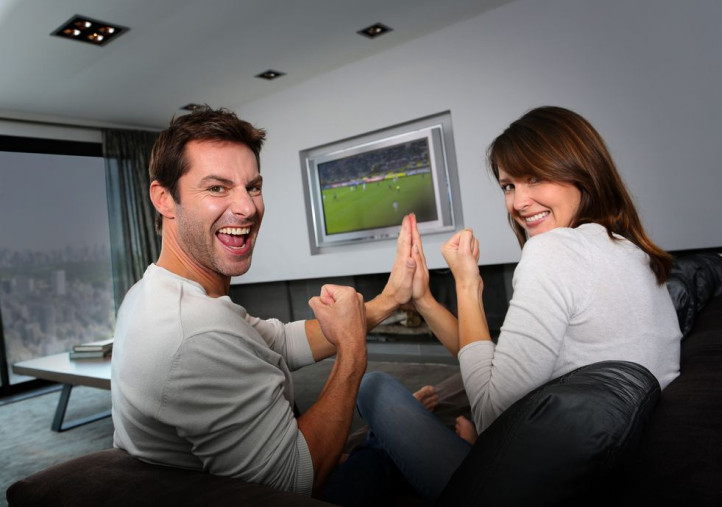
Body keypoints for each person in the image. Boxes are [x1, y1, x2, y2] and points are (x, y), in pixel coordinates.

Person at [325, 106, 682, 505]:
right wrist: (423, 299)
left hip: (519, 486)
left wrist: (466, 283)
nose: (519, 201)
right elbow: (491, 364)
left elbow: (492, 412)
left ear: (582, 171)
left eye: (535, 178)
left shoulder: (552, 251)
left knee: (374, 387)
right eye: (508, 185)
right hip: (595, 466)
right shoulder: (632, 252)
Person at [110, 106, 418, 498]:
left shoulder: (161, 292)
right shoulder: (194, 333)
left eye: (252, 187)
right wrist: (353, 355)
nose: (248, 207)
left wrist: (391, 298)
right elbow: (294, 483)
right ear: (164, 199)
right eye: (217, 188)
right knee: (390, 454)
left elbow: (278, 342)